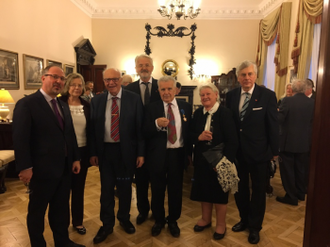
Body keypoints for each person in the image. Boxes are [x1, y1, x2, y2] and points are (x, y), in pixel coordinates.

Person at [12, 65, 85, 247]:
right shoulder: (27, 104)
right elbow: (20, 138)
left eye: (62, 79)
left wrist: (75, 158)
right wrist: (25, 167)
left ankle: (62, 241)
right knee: (37, 212)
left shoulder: (61, 104)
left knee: (61, 209)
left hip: (64, 168)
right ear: (43, 78)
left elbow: (69, 134)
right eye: (54, 77)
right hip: (41, 170)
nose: (59, 81)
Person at [226, 60, 279, 244]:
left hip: (259, 153)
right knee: (239, 191)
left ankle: (255, 227)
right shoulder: (231, 96)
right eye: (243, 75)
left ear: (255, 76)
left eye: (249, 74)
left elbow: (273, 124)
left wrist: (275, 151)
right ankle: (244, 219)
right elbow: (230, 125)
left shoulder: (267, 95)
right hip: (237, 154)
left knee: (257, 192)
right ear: (238, 77)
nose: (246, 78)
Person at [90, 68, 144, 244]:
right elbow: (92, 129)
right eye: (107, 80)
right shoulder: (97, 100)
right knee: (106, 190)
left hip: (126, 152)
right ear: (103, 81)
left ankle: (124, 218)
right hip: (105, 152)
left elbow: (139, 129)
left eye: (114, 79)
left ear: (120, 80)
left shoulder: (133, 99)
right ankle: (106, 224)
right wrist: (93, 153)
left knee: (125, 188)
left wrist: (140, 153)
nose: (111, 83)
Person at [143, 76, 192, 237]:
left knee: (176, 190)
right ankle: (158, 220)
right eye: (162, 89)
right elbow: (143, 131)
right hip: (157, 155)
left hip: (177, 155)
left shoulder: (185, 107)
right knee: (157, 189)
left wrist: (189, 155)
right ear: (158, 91)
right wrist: (156, 124)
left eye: (169, 89)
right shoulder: (151, 108)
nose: (166, 92)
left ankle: (173, 220)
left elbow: (189, 132)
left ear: (176, 90)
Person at [190, 83, 238, 240]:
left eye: (208, 94)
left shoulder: (225, 113)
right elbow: (189, 134)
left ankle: (221, 224)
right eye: (202, 95)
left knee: (219, 195)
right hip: (202, 161)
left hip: (220, 161)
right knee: (204, 192)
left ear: (216, 95)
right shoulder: (197, 113)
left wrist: (224, 163)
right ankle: (205, 219)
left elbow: (232, 140)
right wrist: (199, 137)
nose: (204, 97)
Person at [125, 54, 161, 225]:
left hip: (156, 143)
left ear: (152, 68)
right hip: (136, 143)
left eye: (147, 65)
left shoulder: (161, 87)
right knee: (140, 181)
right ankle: (142, 211)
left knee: (157, 181)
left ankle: (156, 210)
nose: (144, 68)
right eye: (140, 65)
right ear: (136, 68)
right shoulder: (128, 89)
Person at [59, 73, 90, 235]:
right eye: (73, 85)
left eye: (79, 85)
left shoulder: (87, 104)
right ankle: (62, 223)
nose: (77, 88)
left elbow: (91, 130)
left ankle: (77, 222)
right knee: (63, 190)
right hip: (64, 153)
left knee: (79, 189)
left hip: (83, 152)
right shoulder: (58, 103)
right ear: (67, 86)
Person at [276, 79, 314, 205]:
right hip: (304, 142)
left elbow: (280, 120)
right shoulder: (312, 103)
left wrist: (276, 113)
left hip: (288, 142)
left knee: (287, 171)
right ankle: (301, 193)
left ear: (292, 89)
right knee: (301, 169)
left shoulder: (287, 101)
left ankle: (291, 196)